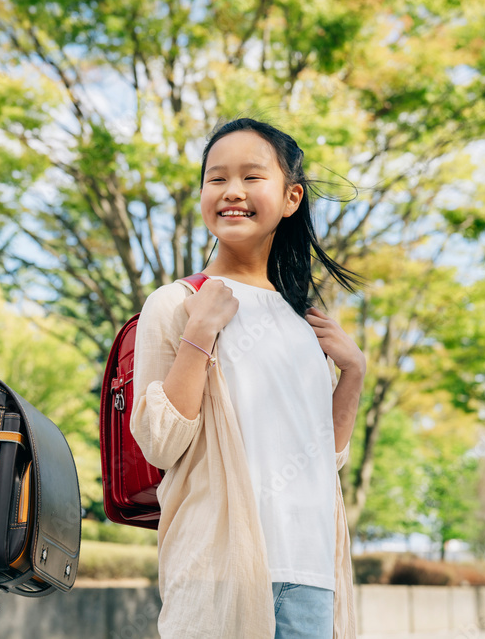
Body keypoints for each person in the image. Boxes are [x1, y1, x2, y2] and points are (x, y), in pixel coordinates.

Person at [130, 118, 367, 639]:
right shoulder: (176, 303)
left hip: (310, 577)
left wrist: (352, 373)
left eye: (252, 177)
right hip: (218, 573)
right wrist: (200, 331)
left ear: (291, 197)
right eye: (216, 179)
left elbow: (323, 459)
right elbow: (160, 441)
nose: (232, 192)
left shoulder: (302, 325)